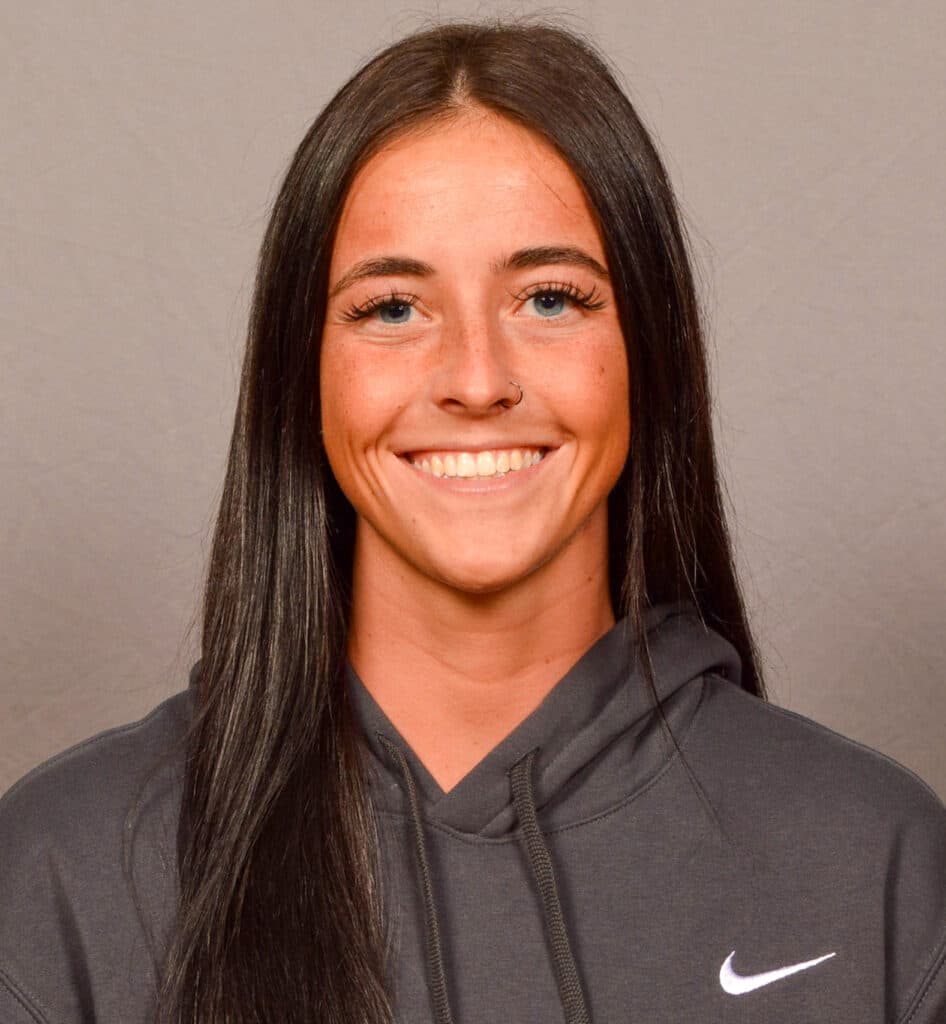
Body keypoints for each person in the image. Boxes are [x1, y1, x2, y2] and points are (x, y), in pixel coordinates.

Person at [1, 16, 944, 1024]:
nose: (478, 379)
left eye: (550, 298)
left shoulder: (870, 859)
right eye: (392, 309)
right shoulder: (68, 869)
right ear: (302, 375)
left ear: (648, 351)